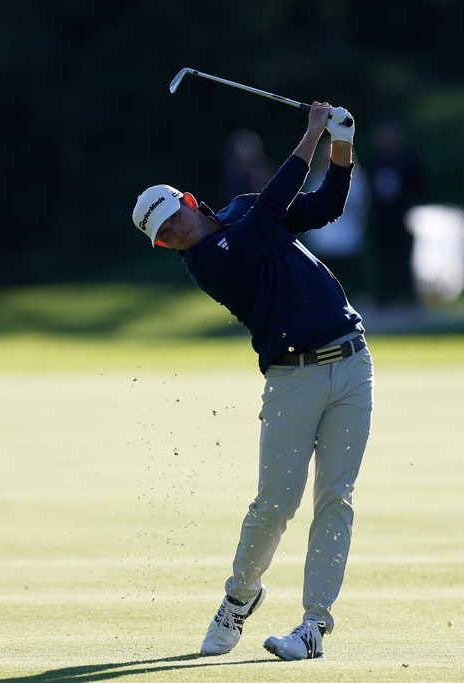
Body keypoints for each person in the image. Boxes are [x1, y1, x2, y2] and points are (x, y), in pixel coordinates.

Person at [131, 103, 374, 661]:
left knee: (336, 498)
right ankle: (239, 599)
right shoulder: (209, 264)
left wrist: (342, 145)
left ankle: (314, 625)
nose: (174, 233)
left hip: (354, 363)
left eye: (174, 218)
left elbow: (327, 205)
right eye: (164, 236)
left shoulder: (242, 209)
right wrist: (311, 133)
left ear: (189, 202)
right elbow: (268, 212)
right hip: (292, 377)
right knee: (275, 503)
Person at [300, 138, 370, 299]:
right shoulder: (317, 176)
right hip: (324, 233)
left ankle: (357, 297)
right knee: (326, 271)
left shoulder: (356, 177)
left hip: (348, 231)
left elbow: (360, 203)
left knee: (349, 270)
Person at [367, 120, 426, 307]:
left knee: (405, 257)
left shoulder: (407, 159)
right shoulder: (375, 160)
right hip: (382, 218)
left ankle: (408, 295)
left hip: (403, 217)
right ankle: (384, 297)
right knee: (383, 259)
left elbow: (419, 185)